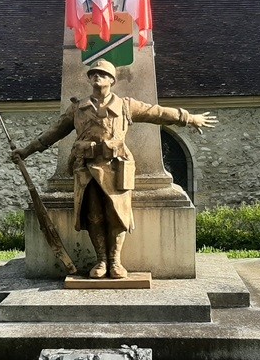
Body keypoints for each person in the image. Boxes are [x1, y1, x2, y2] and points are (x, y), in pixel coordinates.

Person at [12, 60, 217, 278]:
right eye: (93, 74)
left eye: (102, 74)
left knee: (117, 215)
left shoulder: (125, 106)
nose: (97, 77)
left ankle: (115, 261)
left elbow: (156, 113)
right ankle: (101, 261)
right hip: (87, 170)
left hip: (117, 168)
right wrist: (25, 151)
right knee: (93, 216)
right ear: (89, 79)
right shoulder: (78, 108)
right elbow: (52, 134)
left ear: (112, 80)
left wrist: (188, 118)